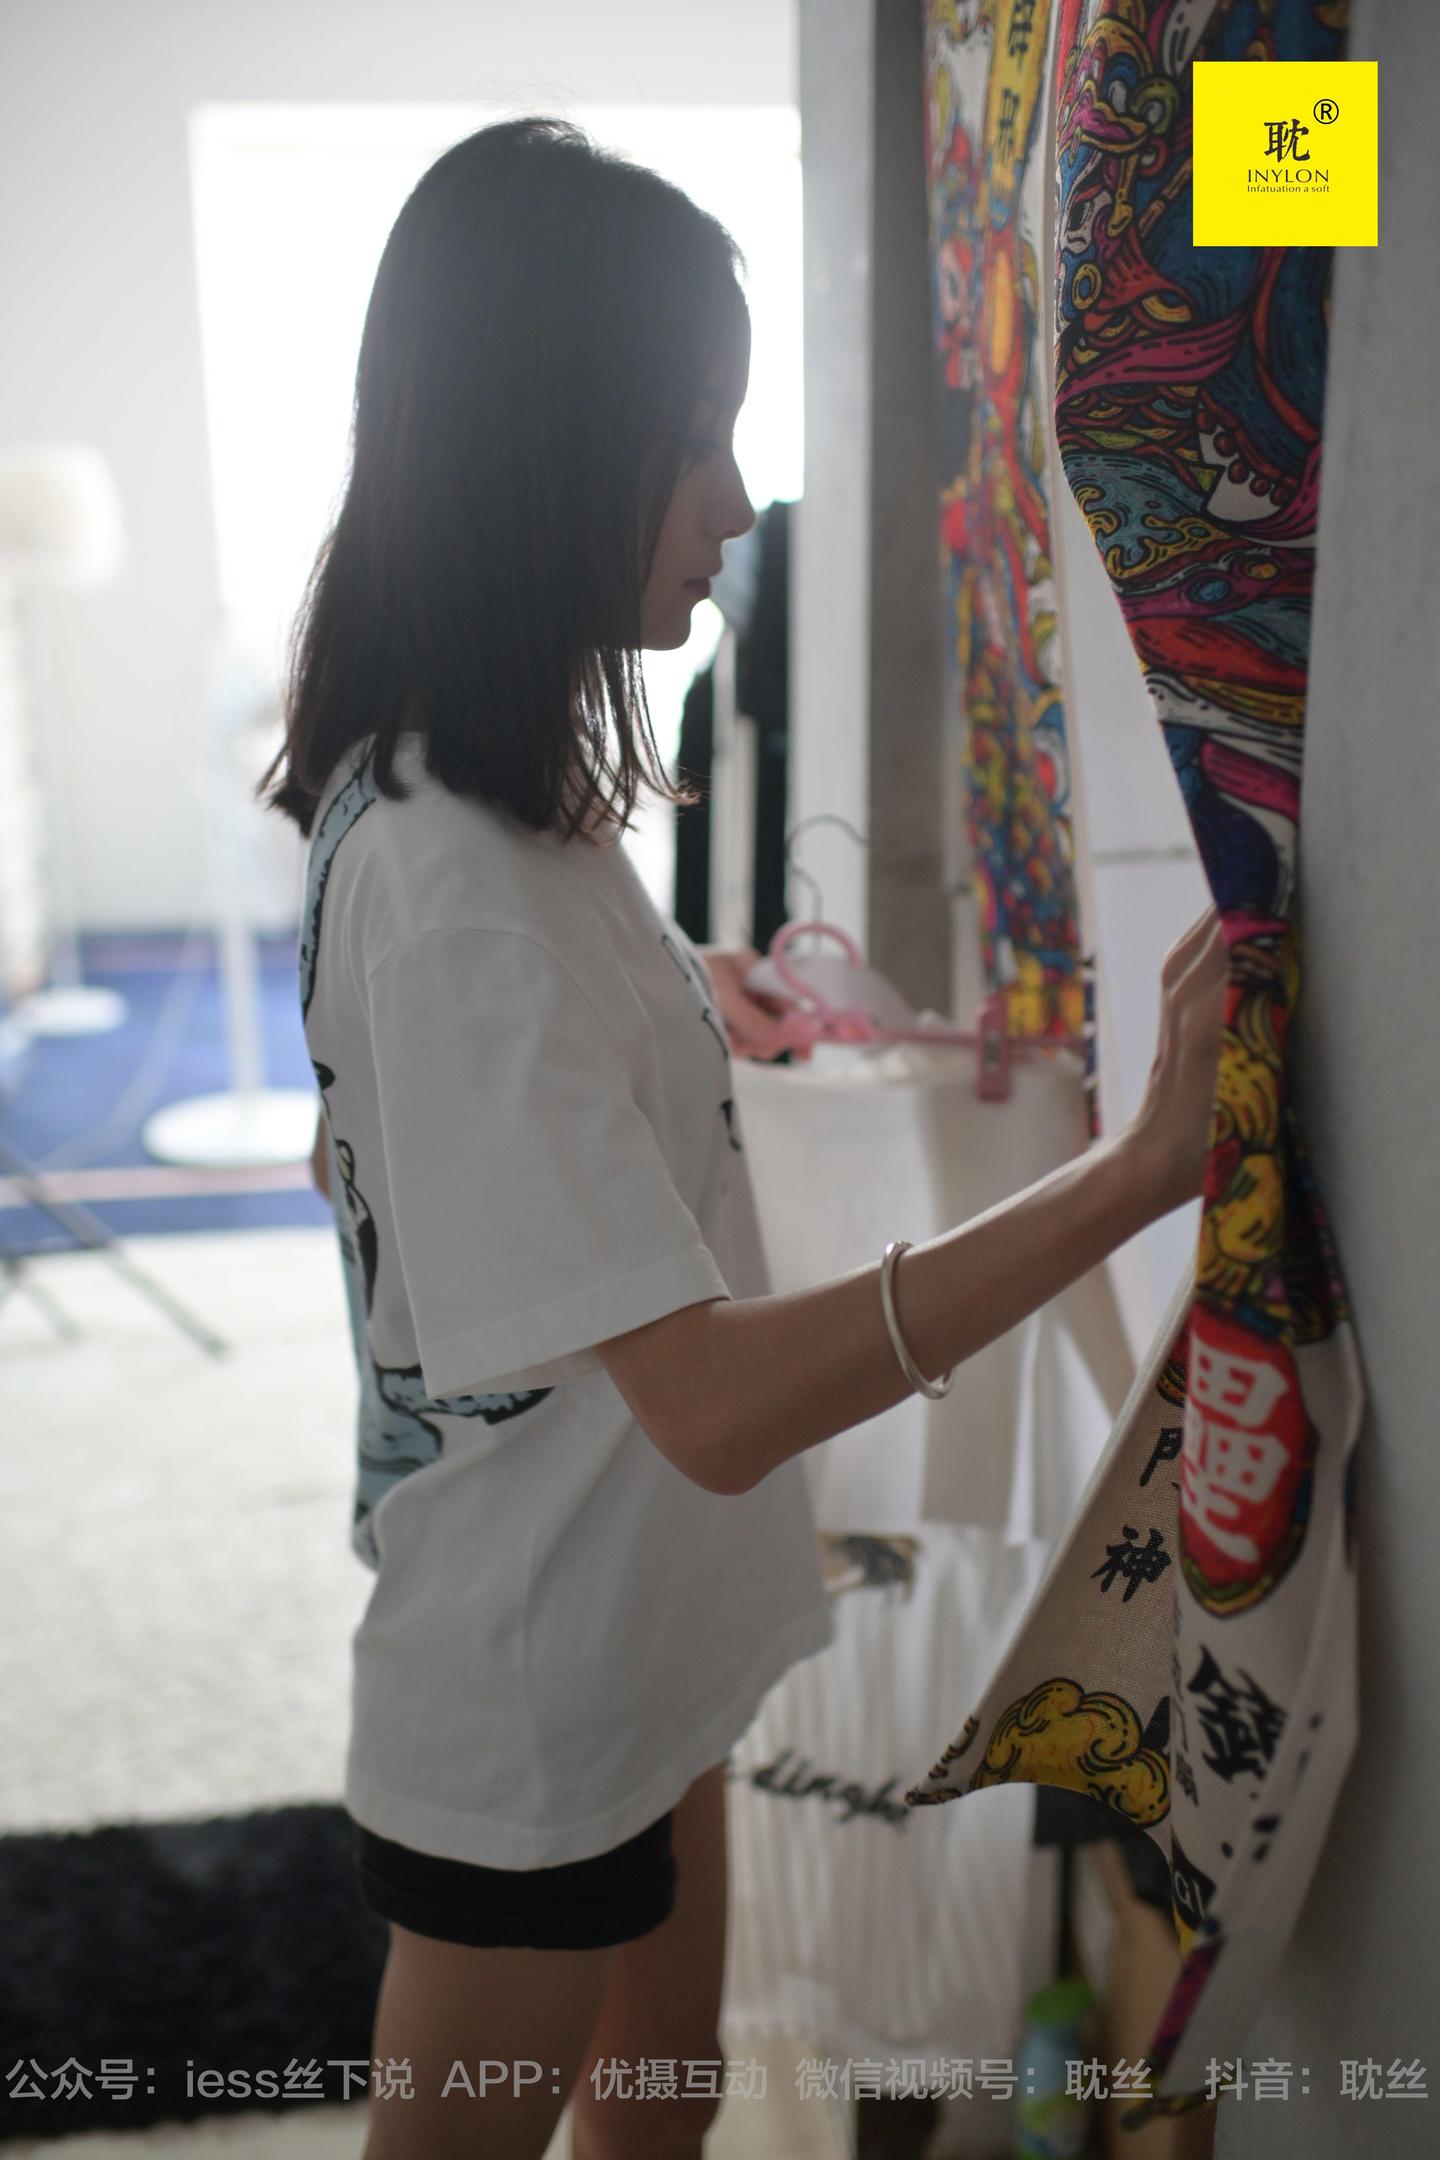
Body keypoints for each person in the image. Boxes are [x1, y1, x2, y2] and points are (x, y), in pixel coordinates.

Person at [261, 116, 1227, 2160]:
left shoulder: (475, 792)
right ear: (543, 448)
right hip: (534, 1706)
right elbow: (705, 1404)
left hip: (633, 1636)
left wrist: (673, 994)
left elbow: (470, 1072)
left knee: (666, 2114)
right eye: (689, 438)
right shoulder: (460, 881)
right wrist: (1132, 1176)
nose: (729, 500)